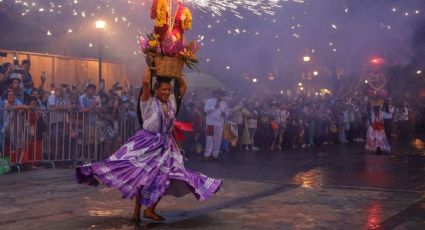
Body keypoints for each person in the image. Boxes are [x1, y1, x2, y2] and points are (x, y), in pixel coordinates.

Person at [76, 67, 222, 222]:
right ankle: (137, 211)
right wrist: (150, 64)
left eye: (169, 90)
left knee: (165, 176)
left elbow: (182, 90)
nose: (167, 92)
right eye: (164, 89)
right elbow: (146, 82)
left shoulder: (171, 102)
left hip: (166, 146)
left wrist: (177, 73)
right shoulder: (148, 102)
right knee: (142, 175)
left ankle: (150, 210)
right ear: (156, 90)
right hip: (146, 142)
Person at [203, 89, 229, 161]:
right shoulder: (210, 101)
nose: (219, 95)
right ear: (215, 94)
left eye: (220, 94)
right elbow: (205, 109)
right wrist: (214, 107)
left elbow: (227, 112)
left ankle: (215, 155)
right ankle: (207, 155)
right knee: (209, 139)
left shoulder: (224, 103)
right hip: (211, 123)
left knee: (218, 140)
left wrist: (225, 114)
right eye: (218, 93)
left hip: (220, 124)